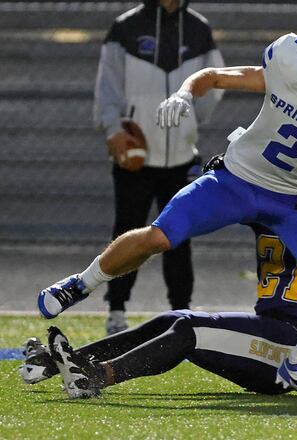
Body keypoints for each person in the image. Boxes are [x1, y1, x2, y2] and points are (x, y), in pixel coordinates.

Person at [39, 13, 297, 400]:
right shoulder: (292, 61)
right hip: (239, 181)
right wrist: (185, 92)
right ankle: (79, 285)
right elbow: (216, 77)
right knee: (160, 235)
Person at [20, 197, 297, 399]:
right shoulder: (287, 219)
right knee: (173, 319)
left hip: (288, 353)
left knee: (192, 331)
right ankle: (56, 364)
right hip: (270, 333)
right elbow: (241, 199)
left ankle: (97, 377)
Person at [93, 0, 225, 334]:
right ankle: (116, 311)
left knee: (179, 239)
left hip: (182, 158)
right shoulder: (125, 28)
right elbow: (107, 84)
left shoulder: (199, 29)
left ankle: (181, 312)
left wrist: (191, 122)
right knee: (127, 233)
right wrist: (113, 130)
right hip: (135, 157)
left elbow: (214, 84)